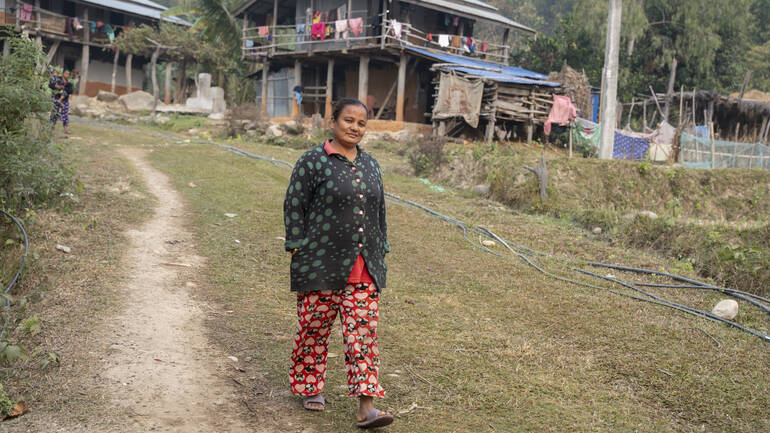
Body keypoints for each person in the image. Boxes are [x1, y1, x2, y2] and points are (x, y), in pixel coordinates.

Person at [283, 98, 393, 429]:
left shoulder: (371, 165)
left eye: (361, 123)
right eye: (348, 120)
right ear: (333, 122)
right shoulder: (313, 161)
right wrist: (296, 245)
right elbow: (295, 203)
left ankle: (366, 407)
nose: (354, 127)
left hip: (364, 266)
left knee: (363, 337)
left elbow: (379, 210)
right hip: (320, 262)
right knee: (314, 329)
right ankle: (310, 387)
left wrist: (381, 246)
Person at [50, 70, 72, 135]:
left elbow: (70, 91)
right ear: (63, 73)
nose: (67, 75)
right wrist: (57, 86)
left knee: (65, 114)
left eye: (68, 74)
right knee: (54, 113)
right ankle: (52, 128)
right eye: (66, 73)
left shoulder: (69, 83)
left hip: (64, 100)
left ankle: (66, 129)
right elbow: (51, 85)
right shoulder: (57, 79)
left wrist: (63, 88)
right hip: (56, 98)